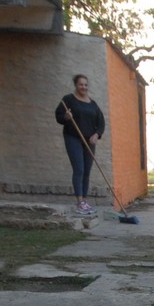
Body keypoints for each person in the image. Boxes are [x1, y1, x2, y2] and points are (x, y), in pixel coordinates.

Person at [55, 74, 105, 216]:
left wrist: (97, 134)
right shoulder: (68, 100)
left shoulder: (92, 104)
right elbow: (58, 116)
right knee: (79, 170)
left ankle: (85, 201)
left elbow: (100, 122)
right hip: (73, 138)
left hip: (89, 141)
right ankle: (79, 203)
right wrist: (66, 117)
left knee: (87, 172)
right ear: (76, 85)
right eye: (81, 84)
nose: (84, 87)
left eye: (85, 85)